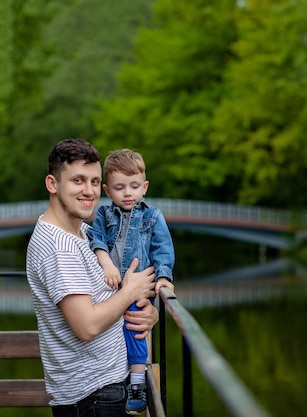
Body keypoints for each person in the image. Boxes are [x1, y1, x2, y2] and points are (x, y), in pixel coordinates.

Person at [26, 139, 159, 417]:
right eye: (78, 180)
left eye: (95, 181)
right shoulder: (58, 248)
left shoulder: (84, 234)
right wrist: (129, 293)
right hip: (92, 397)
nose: (89, 191)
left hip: (106, 389)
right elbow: (86, 326)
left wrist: (147, 313)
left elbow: (109, 297)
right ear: (52, 184)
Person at [87, 149, 175, 415]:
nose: (127, 193)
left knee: (135, 326)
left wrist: (163, 277)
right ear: (107, 190)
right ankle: (117, 377)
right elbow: (96, 240)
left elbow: (163, 250)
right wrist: (107, 263)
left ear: (144, 187)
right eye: (119, 187)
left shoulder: (153, 216)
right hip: (109, 289)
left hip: (137, 289)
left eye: (134, 186)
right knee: (112, 329)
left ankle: (137, 382)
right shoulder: (103, 215)